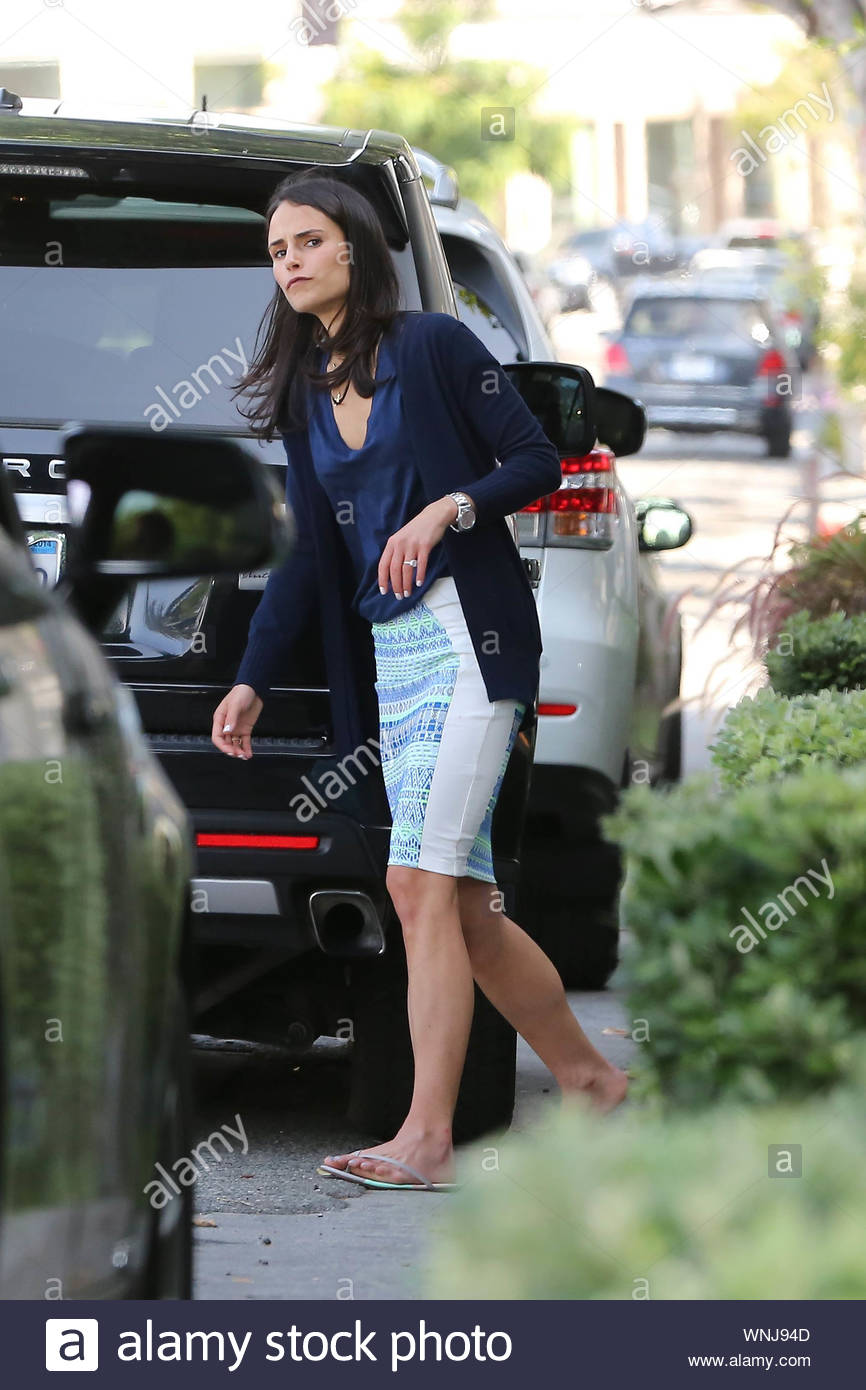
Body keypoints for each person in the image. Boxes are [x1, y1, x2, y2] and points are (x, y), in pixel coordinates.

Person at [211, 171, 628, 1193]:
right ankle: (587, 1079)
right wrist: (252, 678)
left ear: (354, 247)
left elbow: (532, 458)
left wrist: (448, 508)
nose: (291, 260)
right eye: (277, 251)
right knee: (467, 908)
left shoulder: (434, 348)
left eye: (308, 240)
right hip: (394, 662)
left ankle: (427, 1138)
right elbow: (311, 553)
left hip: (472, 641)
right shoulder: (307, 388)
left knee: (415, 882)